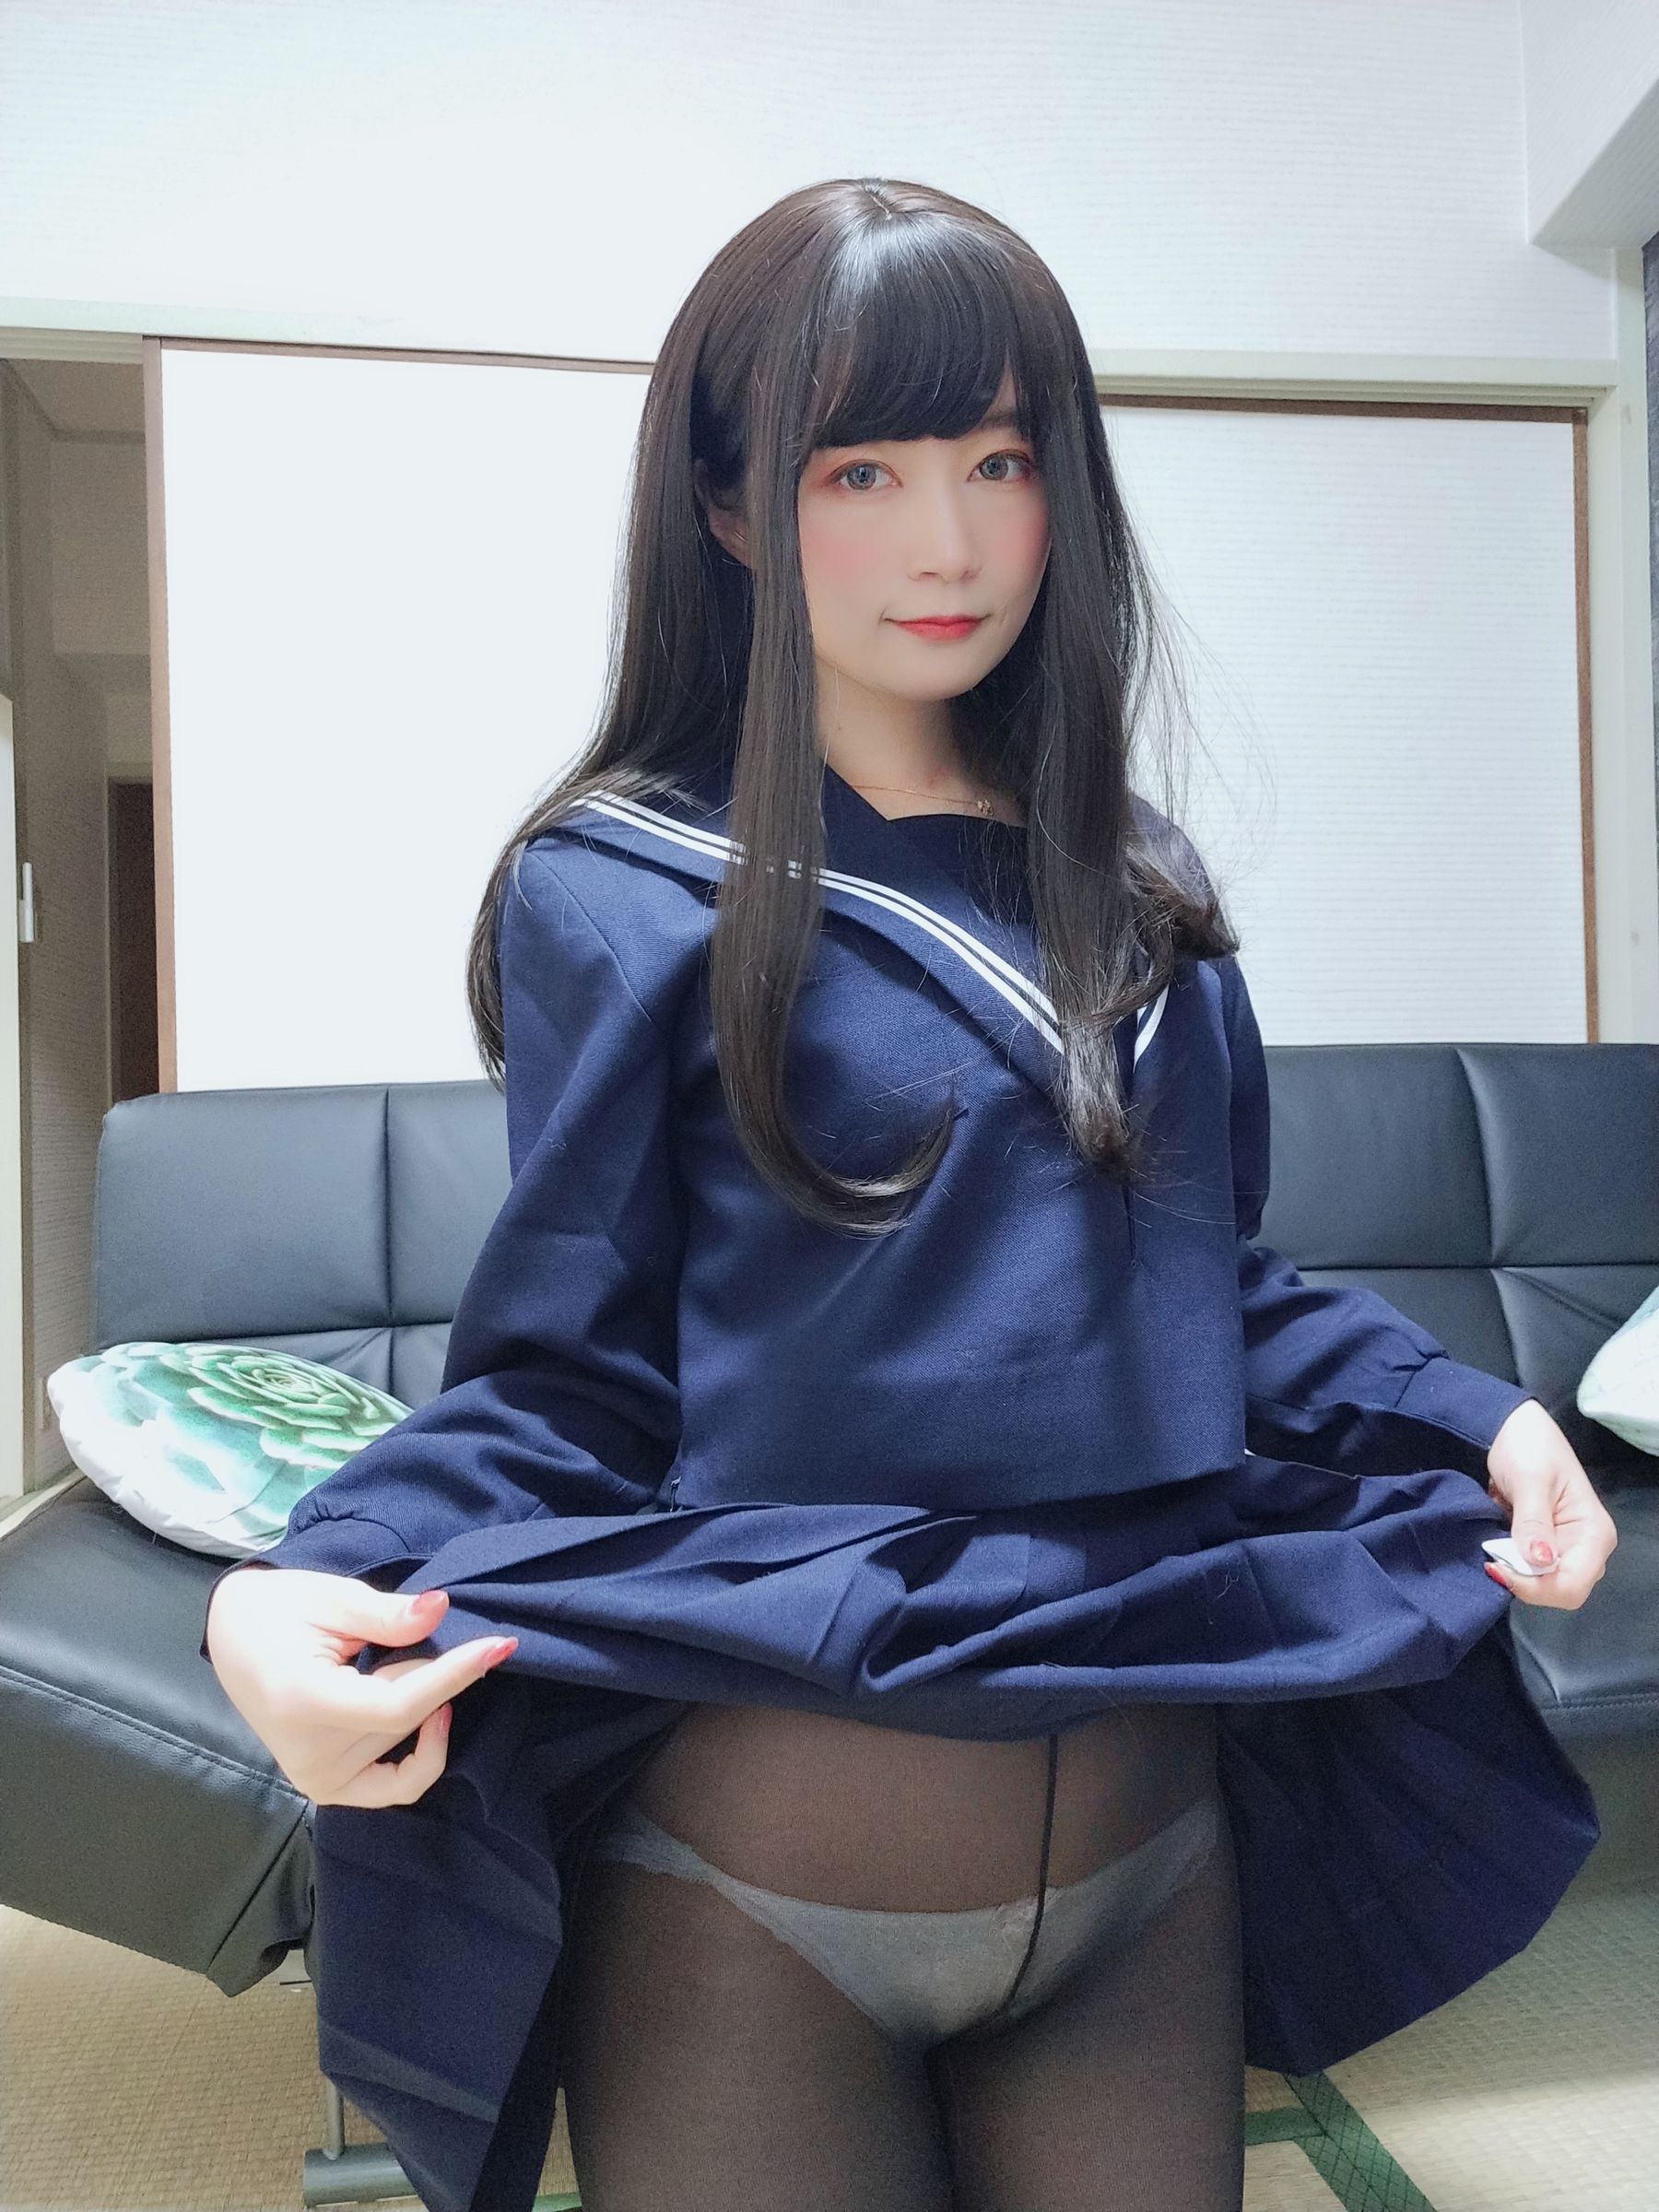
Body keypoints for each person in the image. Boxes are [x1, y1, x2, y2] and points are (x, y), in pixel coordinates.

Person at [204, 177, 1618, 2212]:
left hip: (1147, 1849)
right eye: (859, 470)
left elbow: (1205, 1288)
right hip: (760, 1882)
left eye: (1000, 462)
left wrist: (1478, 1414)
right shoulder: (619, 888)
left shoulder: (1135, 880)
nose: (948, 541)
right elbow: (567, 1373)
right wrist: (291, 1578)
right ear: (727, 505)